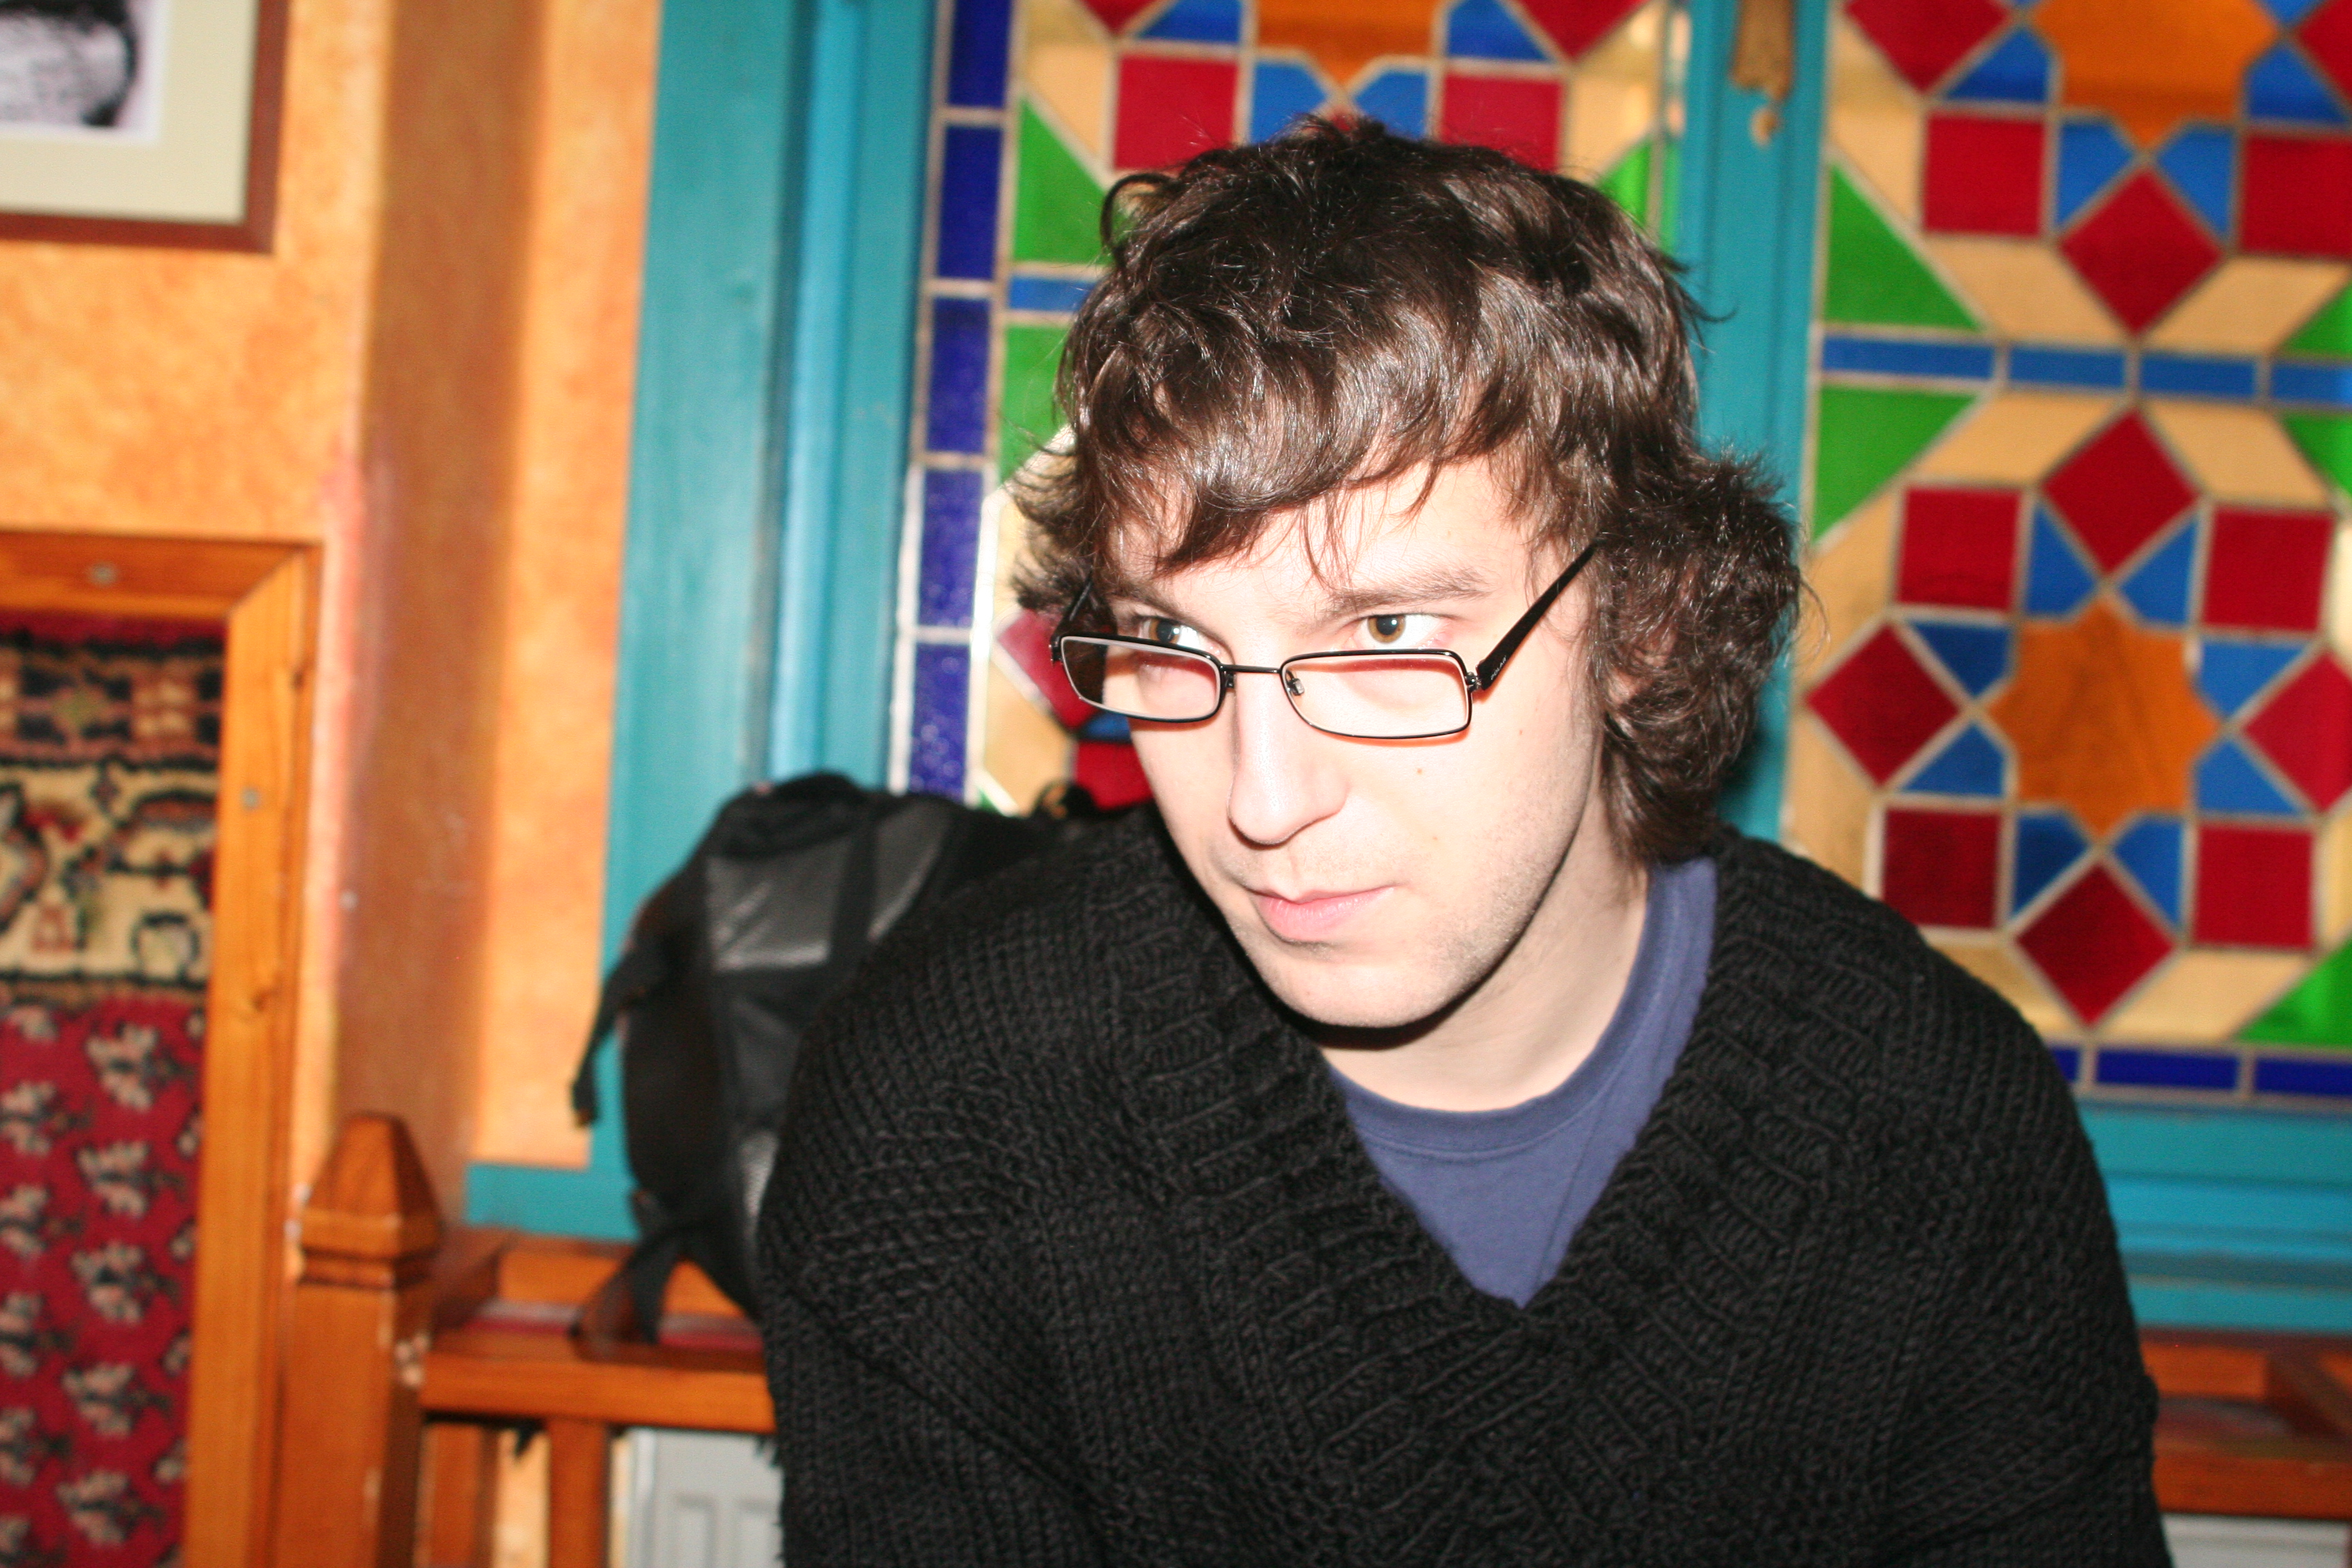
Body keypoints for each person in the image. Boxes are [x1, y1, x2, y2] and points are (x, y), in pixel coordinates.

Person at [758, 117, 2161, 1564]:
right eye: (1175, 645)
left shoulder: (1935, 1125)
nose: (1262, 799)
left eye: (1385, 637)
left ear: (1643, 620)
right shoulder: (948, 1105)